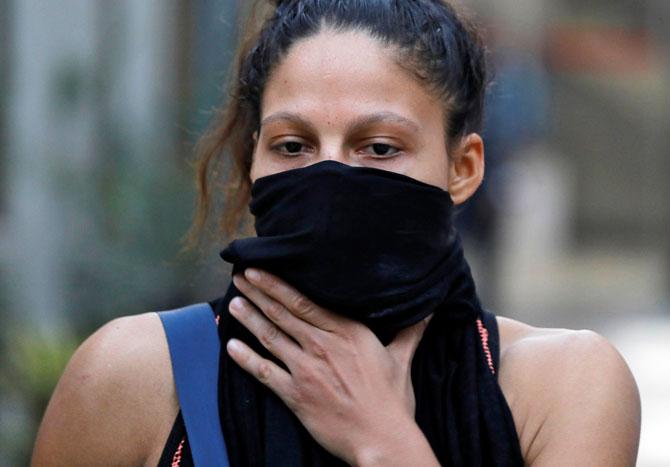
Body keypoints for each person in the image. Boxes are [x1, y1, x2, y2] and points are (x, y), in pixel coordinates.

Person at [32, 1, 641, 466]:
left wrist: (384, 441)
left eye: (379, 147)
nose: (330, 178)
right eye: (292, 146)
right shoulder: (133, 378)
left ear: (463, 169)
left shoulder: (562, 388)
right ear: (252, 164)